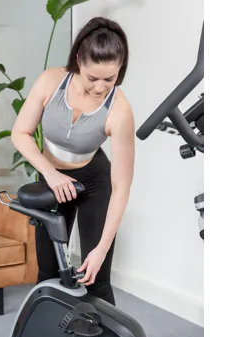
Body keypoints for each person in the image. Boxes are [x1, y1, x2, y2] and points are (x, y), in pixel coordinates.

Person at [11, 17, 135, 306]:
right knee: (49, 273)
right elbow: (20, 133)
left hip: (95, 181)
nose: (100, 88)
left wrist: (101, 250)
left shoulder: (119, 110)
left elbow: (121, 188)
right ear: (78, 59)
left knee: (96, 278)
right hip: (52, 178)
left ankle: (102, 336)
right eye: (92, 78)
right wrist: (51, 174)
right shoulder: (51, 82)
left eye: (110, 78)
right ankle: (50, 333)